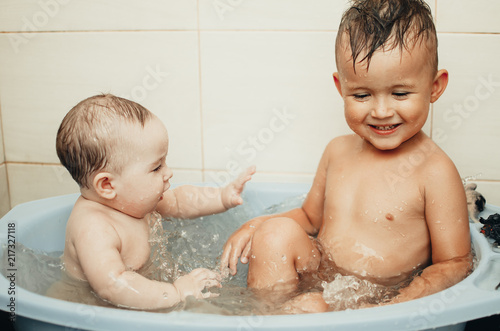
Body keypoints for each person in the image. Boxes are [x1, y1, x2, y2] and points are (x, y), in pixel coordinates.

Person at [220, 0, 472, 312]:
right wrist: (255, 225)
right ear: (341, 87)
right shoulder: (337, 151)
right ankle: (263, 315)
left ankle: (292, 316)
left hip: (377, 298)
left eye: (400, 94)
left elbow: (455, 263)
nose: (381, 111)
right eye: (362, 95)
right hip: (322, 273)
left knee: (311, 308)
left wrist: (394, 306)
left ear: (435, 87)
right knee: (274, 235)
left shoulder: (435, 171)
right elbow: (310, 218)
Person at [51, 94, 255, 310]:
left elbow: (179, 201)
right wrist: (176, 292)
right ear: (108, 185)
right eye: (156, 167)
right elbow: (114, 286)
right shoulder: (94, 227)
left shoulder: (133, 202)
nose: (168, 173)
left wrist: (222, 196)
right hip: (90, 310)